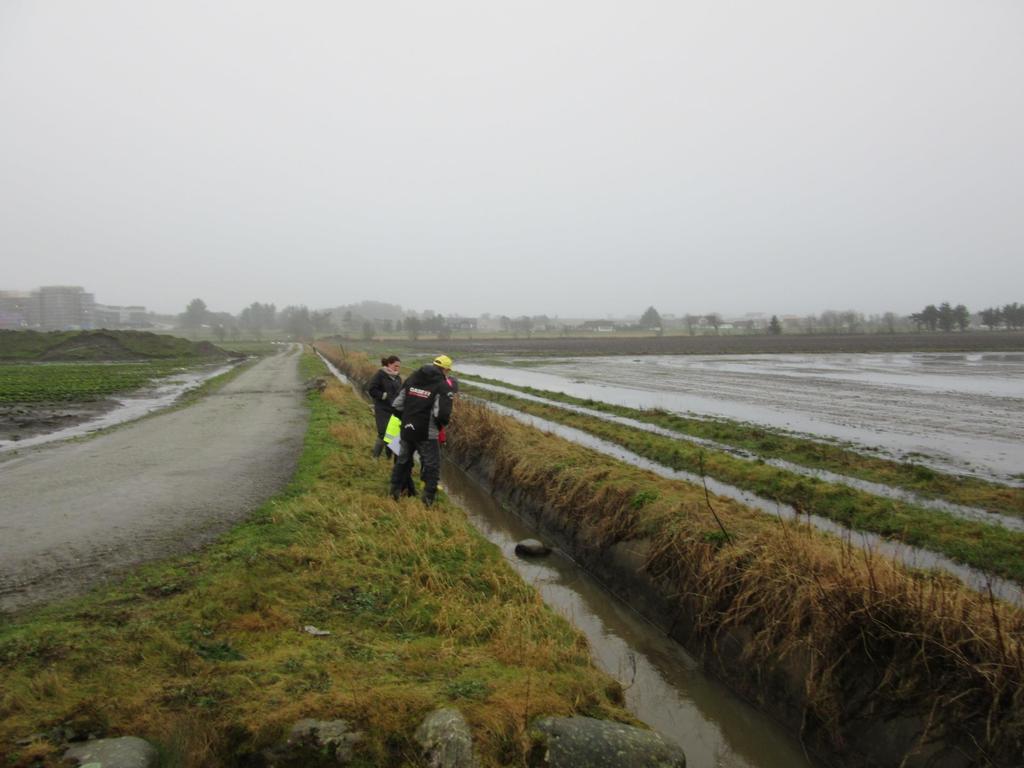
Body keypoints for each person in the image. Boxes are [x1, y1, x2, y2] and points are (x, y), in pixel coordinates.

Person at [389, 354, 454, 506]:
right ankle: (427, 501)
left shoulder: (412, 378)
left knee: (403, 461)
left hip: (407, 429)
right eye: (448, 371)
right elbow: (442, 414)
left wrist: (406, 419)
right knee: (432, 465)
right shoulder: (443, 385)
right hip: (427, 432)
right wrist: (439, 426)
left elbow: (397, 405)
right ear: (444, 369)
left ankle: (394, 493)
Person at [366, 355, 402, 459]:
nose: (397, 368)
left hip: (395, 410)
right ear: (389, 364)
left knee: (393, 435)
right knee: (383, 434)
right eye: (395, 366)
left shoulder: (398, 377)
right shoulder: (380, 375)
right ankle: (375, 457)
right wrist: (383, 395)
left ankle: (388, 458)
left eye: (399, 366)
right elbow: (371, 389)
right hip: (382, 409)